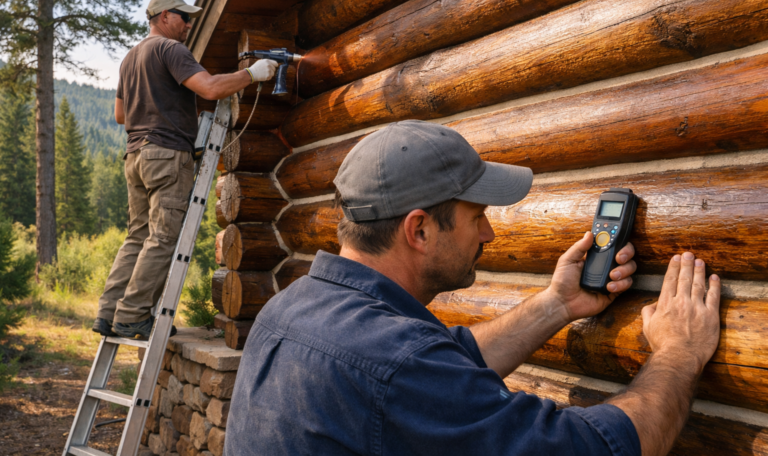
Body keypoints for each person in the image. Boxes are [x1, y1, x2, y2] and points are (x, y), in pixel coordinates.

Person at [225, 120, 722, 456]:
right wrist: (678, 353)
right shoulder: (395, 365)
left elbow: (443, 364)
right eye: (477, 217)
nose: (488, 234)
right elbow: (589, 450)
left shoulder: (290, 308)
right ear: (418, 230)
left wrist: (557, 304)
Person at [93, 0, 279, 339]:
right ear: (164, 17)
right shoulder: (170, 50)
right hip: (165, 155)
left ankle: (108, 313)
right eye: (184, 17)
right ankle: (133, 317)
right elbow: (208, 89)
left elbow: (120, 115)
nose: (189, 25)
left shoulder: (130, 58)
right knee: (163, 237)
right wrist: (251, 74)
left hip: (135, 157)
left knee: (138, 237)